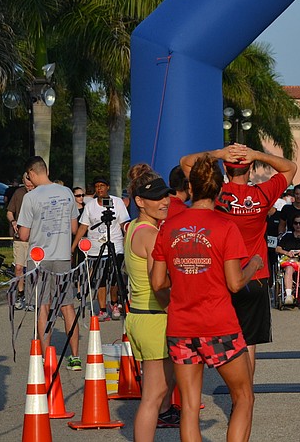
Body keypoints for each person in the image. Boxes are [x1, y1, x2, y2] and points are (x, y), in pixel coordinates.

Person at [151, 154, 263, 442]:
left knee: (189, 407)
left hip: (180, 326)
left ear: (191, 187)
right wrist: (254, 264)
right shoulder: (226, 227)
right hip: (218, 324)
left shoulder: (168, 227)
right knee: (244, 397)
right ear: (219, 190)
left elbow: (157, 281)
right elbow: (235, 283)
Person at [181, 143, 296, 377]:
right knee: (249, 341)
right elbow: (290, 168)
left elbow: (186, 162)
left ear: (225, 167)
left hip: (222, 275)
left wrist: (219, 153)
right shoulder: (263, 193)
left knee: (222, 335)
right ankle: (244, 394)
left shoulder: (218, 193)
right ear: (251, 169)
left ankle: (230, 382)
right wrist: (256, 155)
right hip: (255, 276)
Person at [124, 164, 179, 437]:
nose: (165, 202)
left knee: (156, 392)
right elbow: (158, 285)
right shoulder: (151, 234)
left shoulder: (134, 227)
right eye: (157, 197)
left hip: (140, 315)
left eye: (166, 195)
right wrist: (178, 310)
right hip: (154, 317)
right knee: (153, 396)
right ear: (140, 202)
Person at [16, 156, 82, 370]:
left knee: (42, 306)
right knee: (67, 306)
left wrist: (20, 228)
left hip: (39, 259)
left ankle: (46, 359)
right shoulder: (67, 193)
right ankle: (75, 357)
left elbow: (24, 235)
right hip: (62, 256)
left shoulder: (31, 197)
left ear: (31, 173)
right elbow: (74, 228)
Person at [71, 175, 131, 321]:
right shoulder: (90, 205)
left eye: (102, 186)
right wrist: (73, 247)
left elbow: (124, 223)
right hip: (96, 248)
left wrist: (130, 240)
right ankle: (103, 309)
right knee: (100, 279)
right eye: (97, 186)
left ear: (107, 187)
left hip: (115, 245)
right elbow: (83, 227)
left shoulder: (117, 202)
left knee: (115, 277)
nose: (99, 189)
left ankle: (115, 303)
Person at [7, 172, 33, 310]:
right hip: (20, 238)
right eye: (27, 184)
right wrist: (13, 221)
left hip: (35, 238)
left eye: (31, 184)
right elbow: (9, 211)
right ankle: (20, 293)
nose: (29, 187)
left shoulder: (38, 194)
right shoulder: (18, 193)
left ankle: (32, 296)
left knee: (33, 268)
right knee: (19, 267)